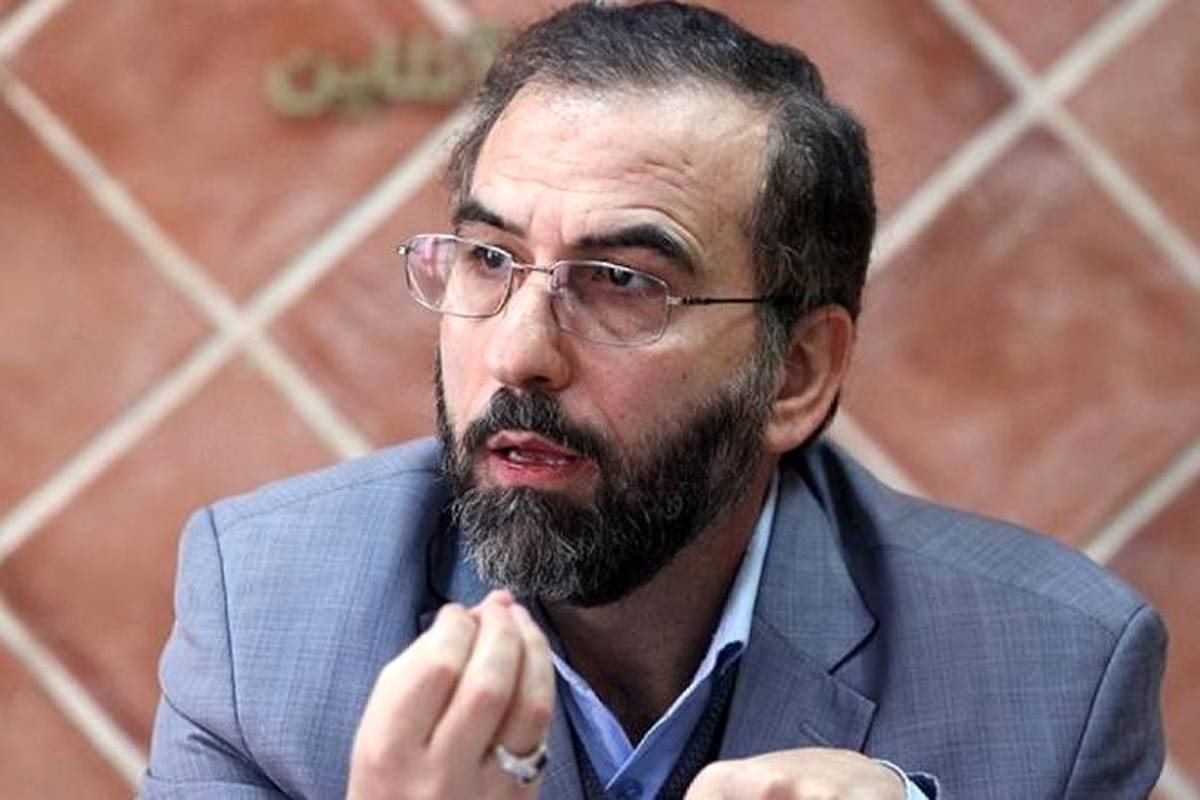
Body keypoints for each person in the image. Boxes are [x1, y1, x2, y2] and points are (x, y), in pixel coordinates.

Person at [141, 3, 1167, 799]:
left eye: (622, 281)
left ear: (797, 373)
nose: (520, 353)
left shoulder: (1058, 674)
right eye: (489, 258)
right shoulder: (264, 613)